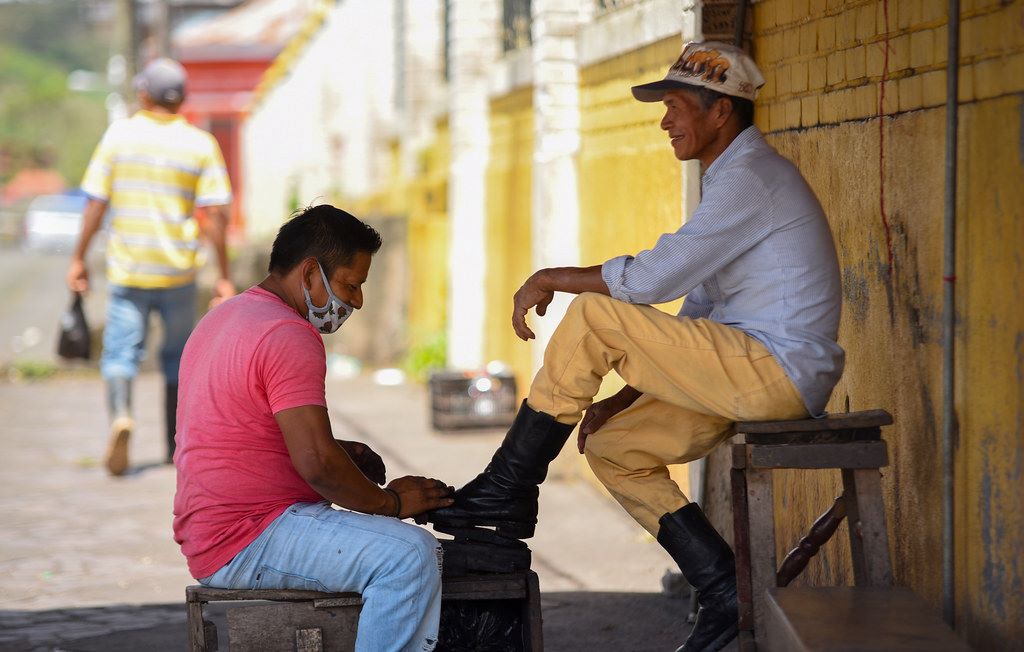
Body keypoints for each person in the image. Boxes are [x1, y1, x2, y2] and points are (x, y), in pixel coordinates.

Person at [429, 41, 844, 652]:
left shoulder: (752, 178)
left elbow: (653, 280)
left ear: (720, 111)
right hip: (745, 365)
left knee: (596, 313)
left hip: (774, 370)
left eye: (676, 106)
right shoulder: (731, 181)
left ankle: (509, 486)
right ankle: (723, 588)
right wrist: (621, 401)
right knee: (614, 445)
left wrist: (552, 278)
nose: (664, 120)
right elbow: (698, 308)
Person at [173, 205, 454, 652]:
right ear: (309, 273)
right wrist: (390, 502)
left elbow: (239, 432)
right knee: (409, 556)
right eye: (350, 284)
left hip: (211, 530)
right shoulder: (289, 334)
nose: (357, 301)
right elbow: (318, 465)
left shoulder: (223, 318)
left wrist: (340, 451)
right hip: (246, 536)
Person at [66, 58, 234, 476]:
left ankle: (121, 417)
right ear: (183, 98)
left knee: (120, 355)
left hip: (129, 269)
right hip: (178, 271)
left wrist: (78, 257)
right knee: (177, 357)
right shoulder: (199, 143)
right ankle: (175, 448)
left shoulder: (119, 136)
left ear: (144, 94)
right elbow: (215, 214)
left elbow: (95, 203)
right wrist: (225, 275)